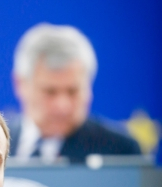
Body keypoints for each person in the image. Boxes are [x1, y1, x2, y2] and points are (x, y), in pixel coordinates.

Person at [10, 23, 141, 162]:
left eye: (73, 91)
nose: (62, 105)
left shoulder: (121, 152)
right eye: (50, 92)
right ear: (20, 84)